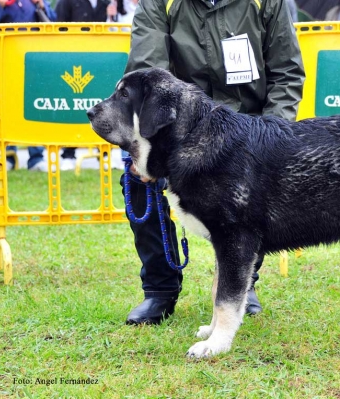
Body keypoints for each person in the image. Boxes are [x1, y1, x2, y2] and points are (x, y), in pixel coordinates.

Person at [122, 0, 305, 325]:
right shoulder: (158, 3)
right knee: (137, 180)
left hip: (247, 126)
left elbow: (286, 72)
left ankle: (242, 283)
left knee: (257, 181)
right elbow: (148, 76)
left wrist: (271, 136)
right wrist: (148, 146)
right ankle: (159, 290)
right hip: (179, 129)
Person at [0, 0, 56, 172]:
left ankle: (36, 158)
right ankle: (8, 156)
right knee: (6, 110)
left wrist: (42, 5)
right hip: (5, 63)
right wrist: (0, 6)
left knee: (35, 109)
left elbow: (53, 22)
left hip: (33, 63)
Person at [55, 0, 110, 171]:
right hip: (73, 63)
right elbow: (58, 27)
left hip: (100, 63)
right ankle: (68, 153)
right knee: (72, 107)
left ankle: (104, 154)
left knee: (103, 106)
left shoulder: (106, 2)